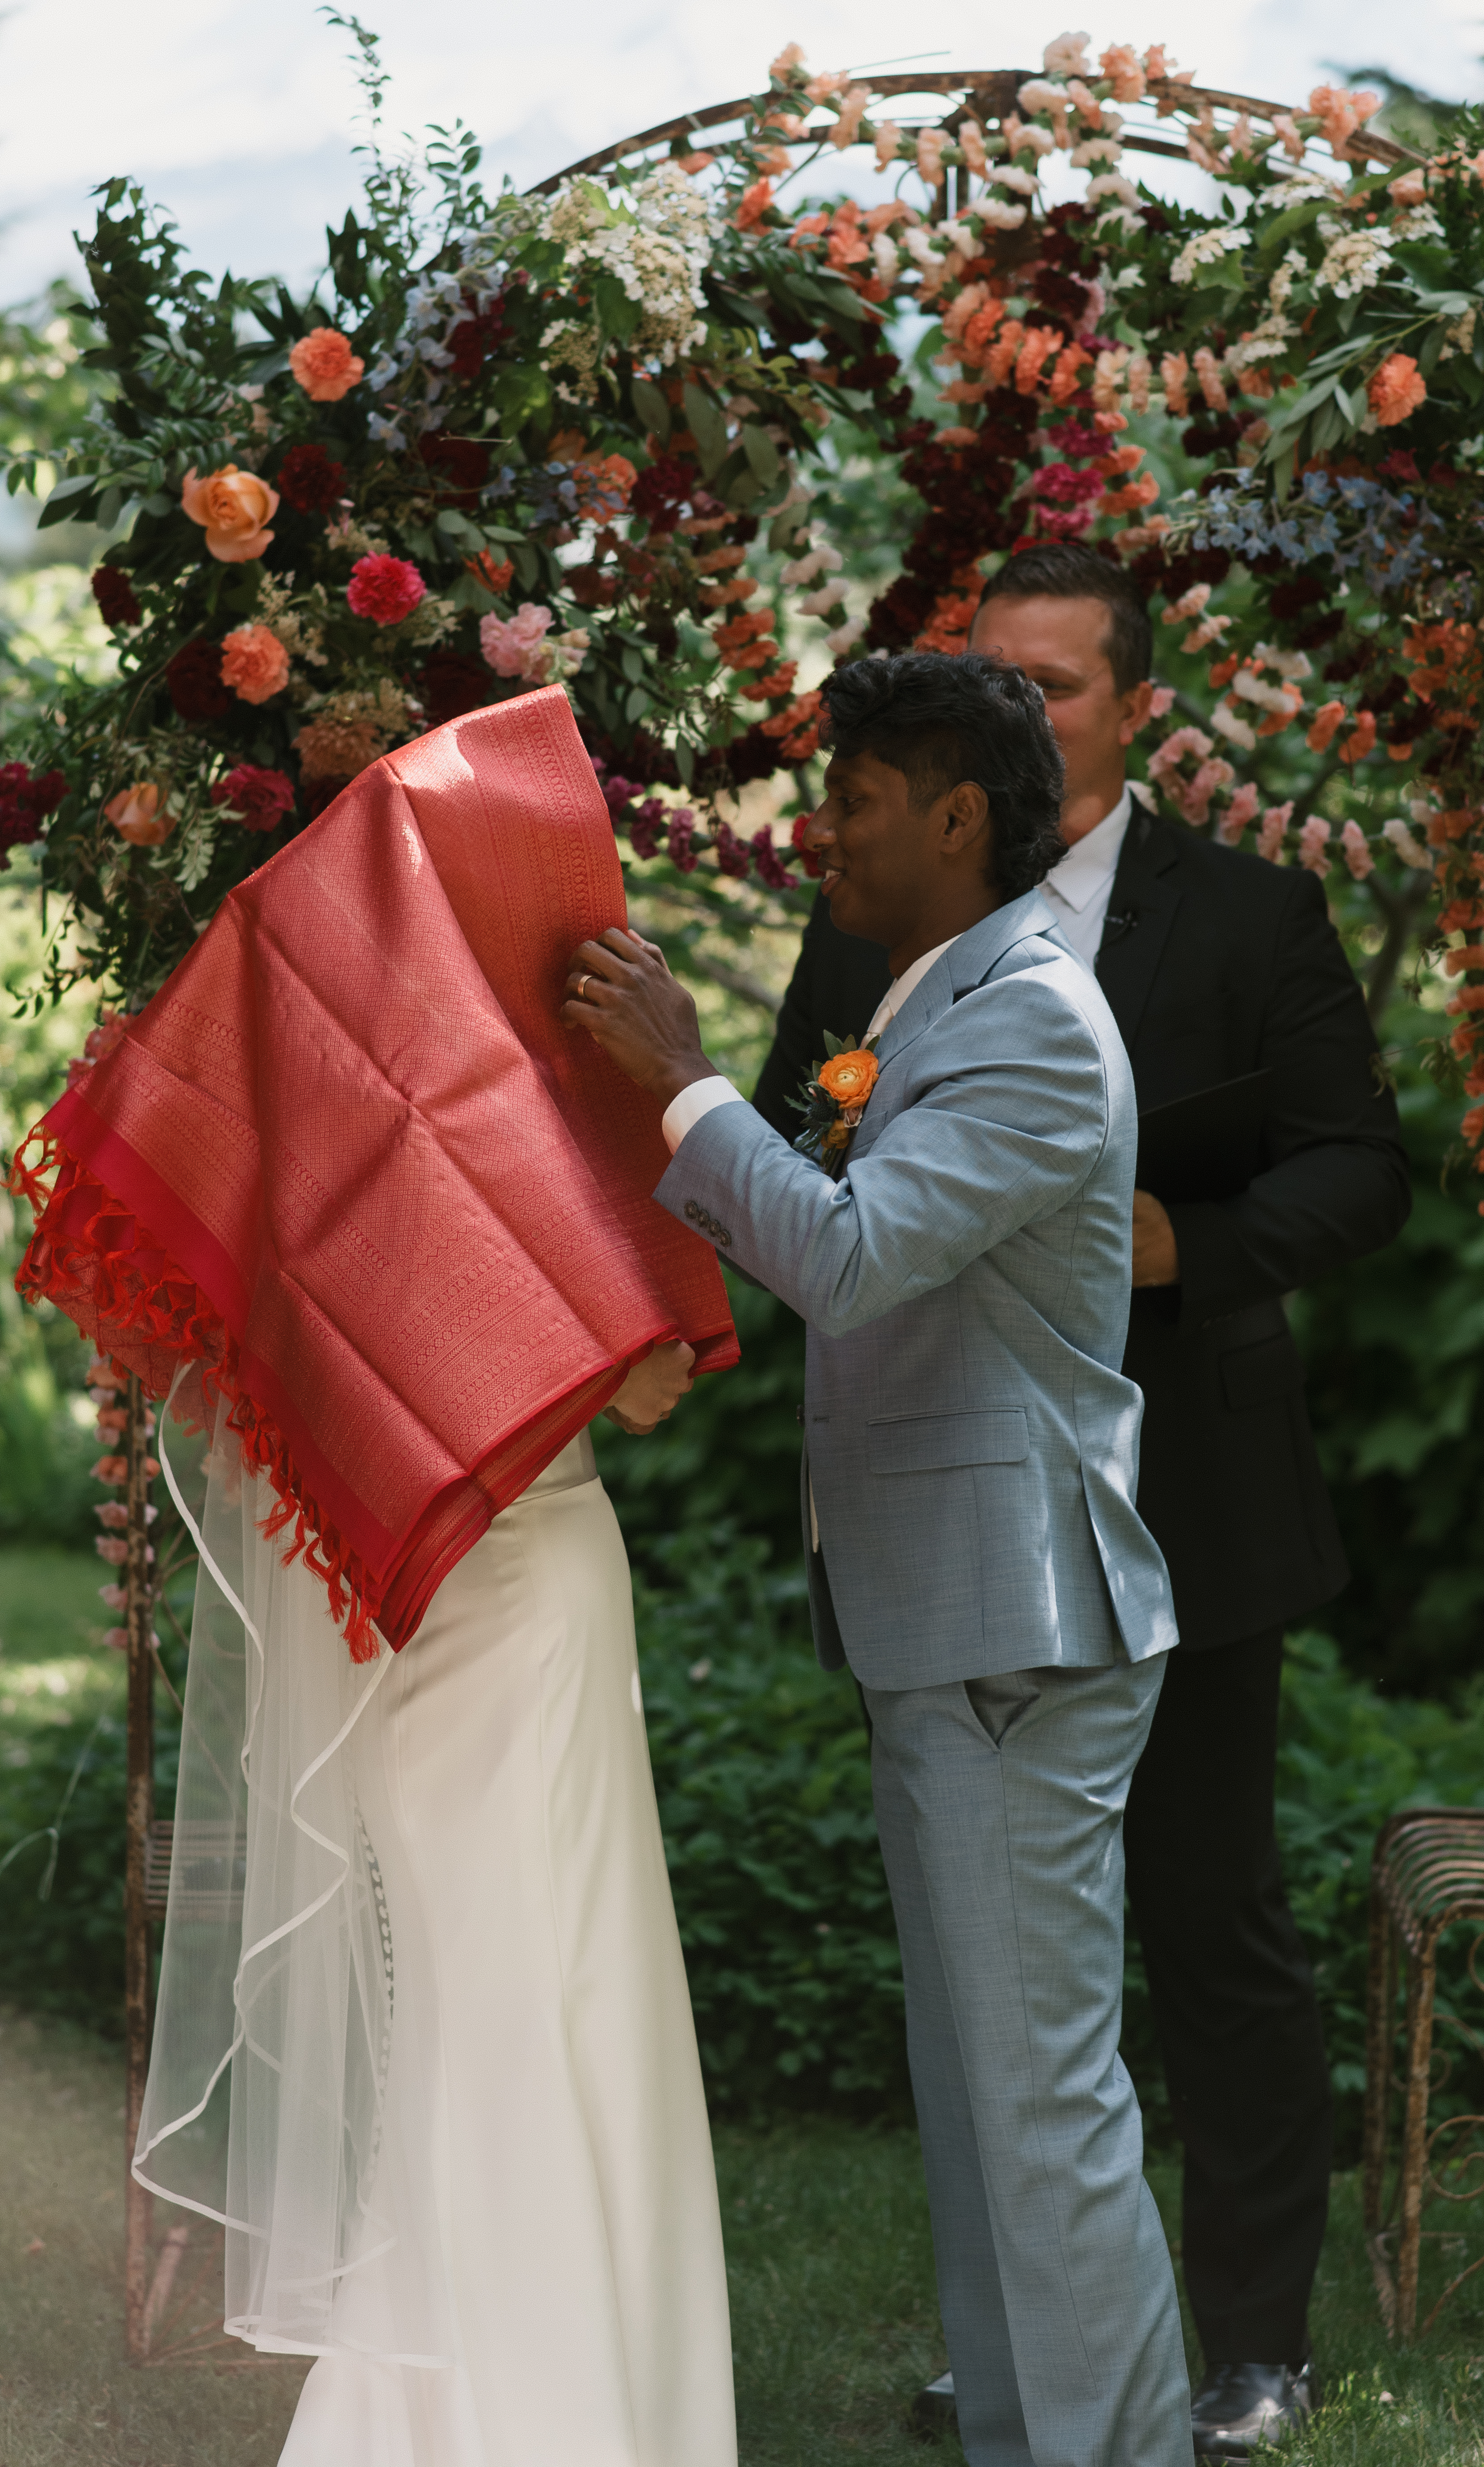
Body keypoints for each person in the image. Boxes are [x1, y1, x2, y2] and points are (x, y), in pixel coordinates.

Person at [10, 688, 741, 2467]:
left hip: (416, 1629)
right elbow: (650, 1380)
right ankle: (570, 2415)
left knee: (479, 2014)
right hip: (532, 1596)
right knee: (556, 2001)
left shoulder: (306, 1156)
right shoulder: (509, 1138)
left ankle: (456, 2410)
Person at [752, 542, 1411, 2459]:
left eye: (1056, 681)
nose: (1028, 706)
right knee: (1002, 1996)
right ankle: (1035, 2357)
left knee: (1207, 1921)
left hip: (1186, 1474)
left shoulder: (1249, 912)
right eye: (1002, 678)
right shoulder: (892, 913)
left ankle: (1252, 2340)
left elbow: (1359, 1170)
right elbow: (819, 1128)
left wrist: (1176, 1241)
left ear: (1133, 706)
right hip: (961, 1488)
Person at [565, 649, 1194, 2467]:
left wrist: (688, 1081)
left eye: (850, 794)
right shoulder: (940, 1003)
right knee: (984, 2102)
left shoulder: (1027, 1017)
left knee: (1041, 2109)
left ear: (955, 816)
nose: (818, 825)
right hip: (959, 1621)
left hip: (1020, 1627)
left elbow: (844, 1255)